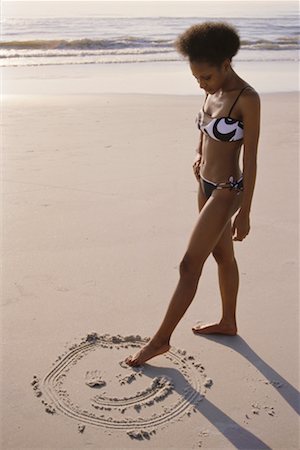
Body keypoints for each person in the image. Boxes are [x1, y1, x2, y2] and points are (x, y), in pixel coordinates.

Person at [125, 22, 260, 367]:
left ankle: (159, 341)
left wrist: (245, 213)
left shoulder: (247, 99)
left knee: (189, 265)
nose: (201, 83)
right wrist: (199, 153)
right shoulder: (210, 91)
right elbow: (204, 128)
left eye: (206, 77)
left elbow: (252, 159)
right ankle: (228, 322)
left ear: (226, 63)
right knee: (222, 257)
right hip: (205, 184)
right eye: (196, 77)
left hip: (229, 191)